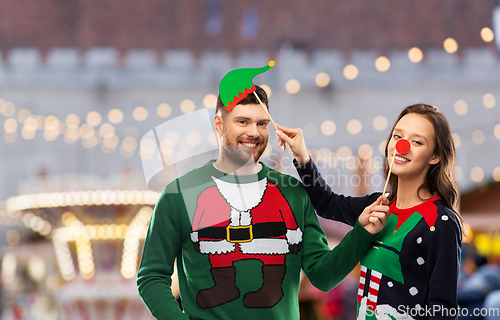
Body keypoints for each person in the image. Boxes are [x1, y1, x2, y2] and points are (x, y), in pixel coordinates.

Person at [137, 85, 389, 320]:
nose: (254, 132)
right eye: (242, 121)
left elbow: (323, 276)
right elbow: (151, 277)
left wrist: (362, 232)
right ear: (219, 124)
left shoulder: (293, 194)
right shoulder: (179, 194)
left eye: (262, 123)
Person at [276, 104, 464, 319]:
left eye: (417, 142)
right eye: (397, 136)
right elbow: (327, 204)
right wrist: (302, 157)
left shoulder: (441, 223)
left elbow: (443, 309)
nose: (402, 146)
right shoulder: (377, 206)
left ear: (435, 156)